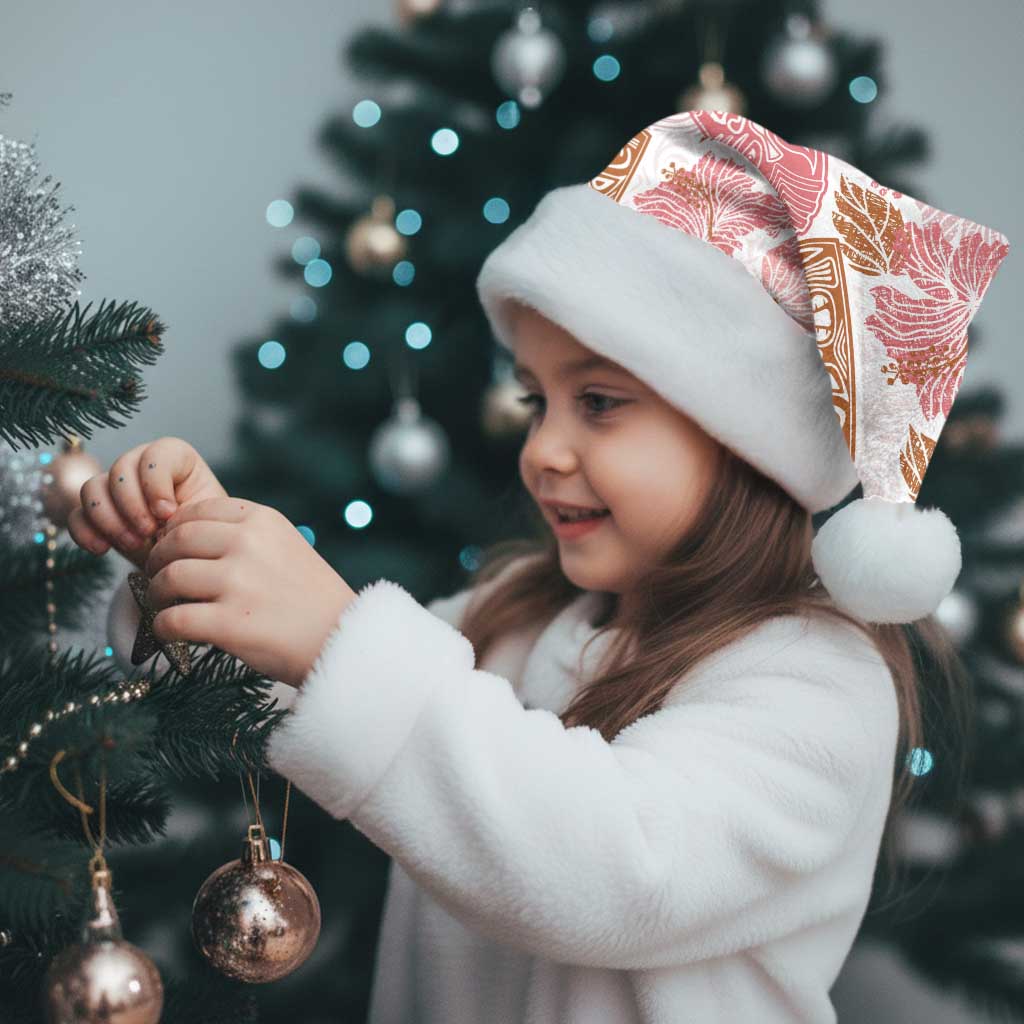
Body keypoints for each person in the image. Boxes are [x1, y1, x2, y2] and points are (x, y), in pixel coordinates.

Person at [72, 111, 1010, 1023]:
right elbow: (304, 692)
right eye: (536, 401)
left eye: (598, 403)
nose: (543, 450)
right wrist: (191, 565)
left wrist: (334, 637)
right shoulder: (515, 617)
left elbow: (614, 870)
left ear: (746, 441)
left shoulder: (817, 683)